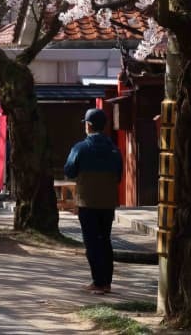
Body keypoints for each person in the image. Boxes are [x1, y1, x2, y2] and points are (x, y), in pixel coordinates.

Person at [64, 108, 123, 295]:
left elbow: (70, 170)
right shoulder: (114, 149)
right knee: (105, 240)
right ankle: (106, 282)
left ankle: (98, 281)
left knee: (91, 242)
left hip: (87, 202)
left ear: (88, 126)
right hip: (108, 203)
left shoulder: (80, 148)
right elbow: (119, 176)